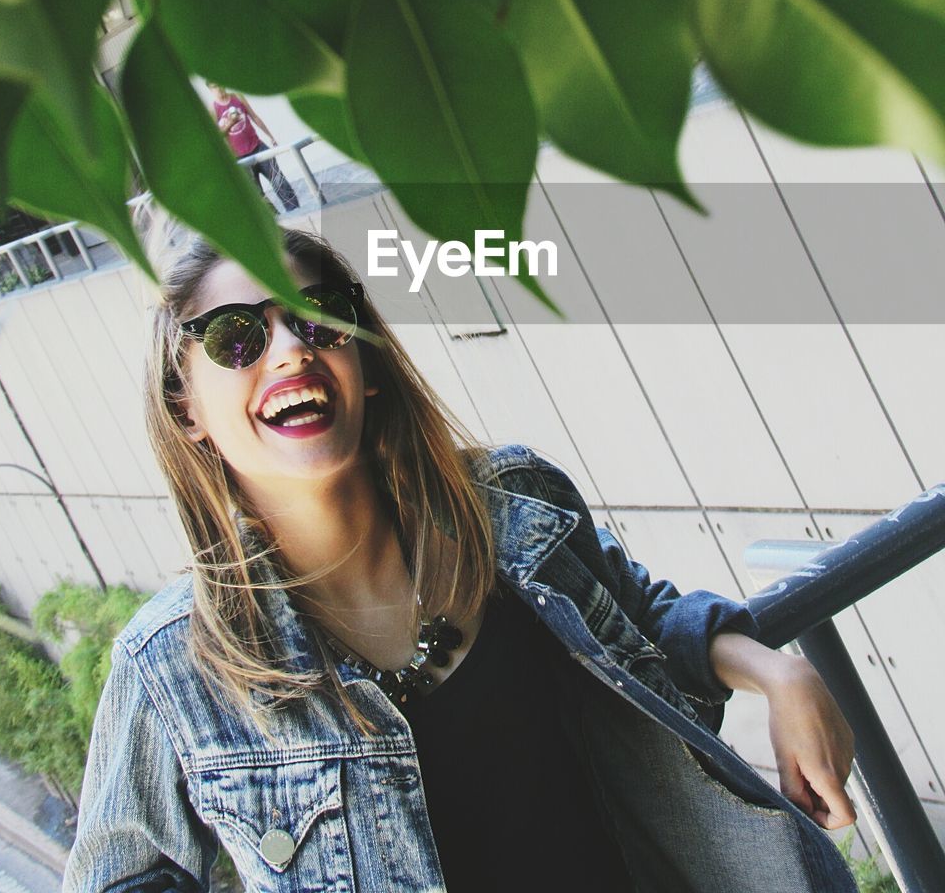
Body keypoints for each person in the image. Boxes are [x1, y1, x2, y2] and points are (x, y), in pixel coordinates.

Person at [63, 226, 858, 893]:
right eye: (236, 337)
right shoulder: (174, 666)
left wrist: (779, 673)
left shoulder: (512, 506)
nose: (289, 352)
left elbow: (639, 615)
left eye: (319, 319)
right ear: (186, 407)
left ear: (365, 361)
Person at [207, 82, 299, 214]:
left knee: (279, 182)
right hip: (239, 157)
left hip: (257, 146)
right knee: (257, 194)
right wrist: (230, 123)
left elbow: (254, 116)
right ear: (210, 90)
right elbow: (218, 136)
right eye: (215, 87)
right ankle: (276, 221)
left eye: (220, 85)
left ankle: (295, 211)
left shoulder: (237, 97)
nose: (219, 89)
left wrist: (270, 136)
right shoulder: (213, 110)